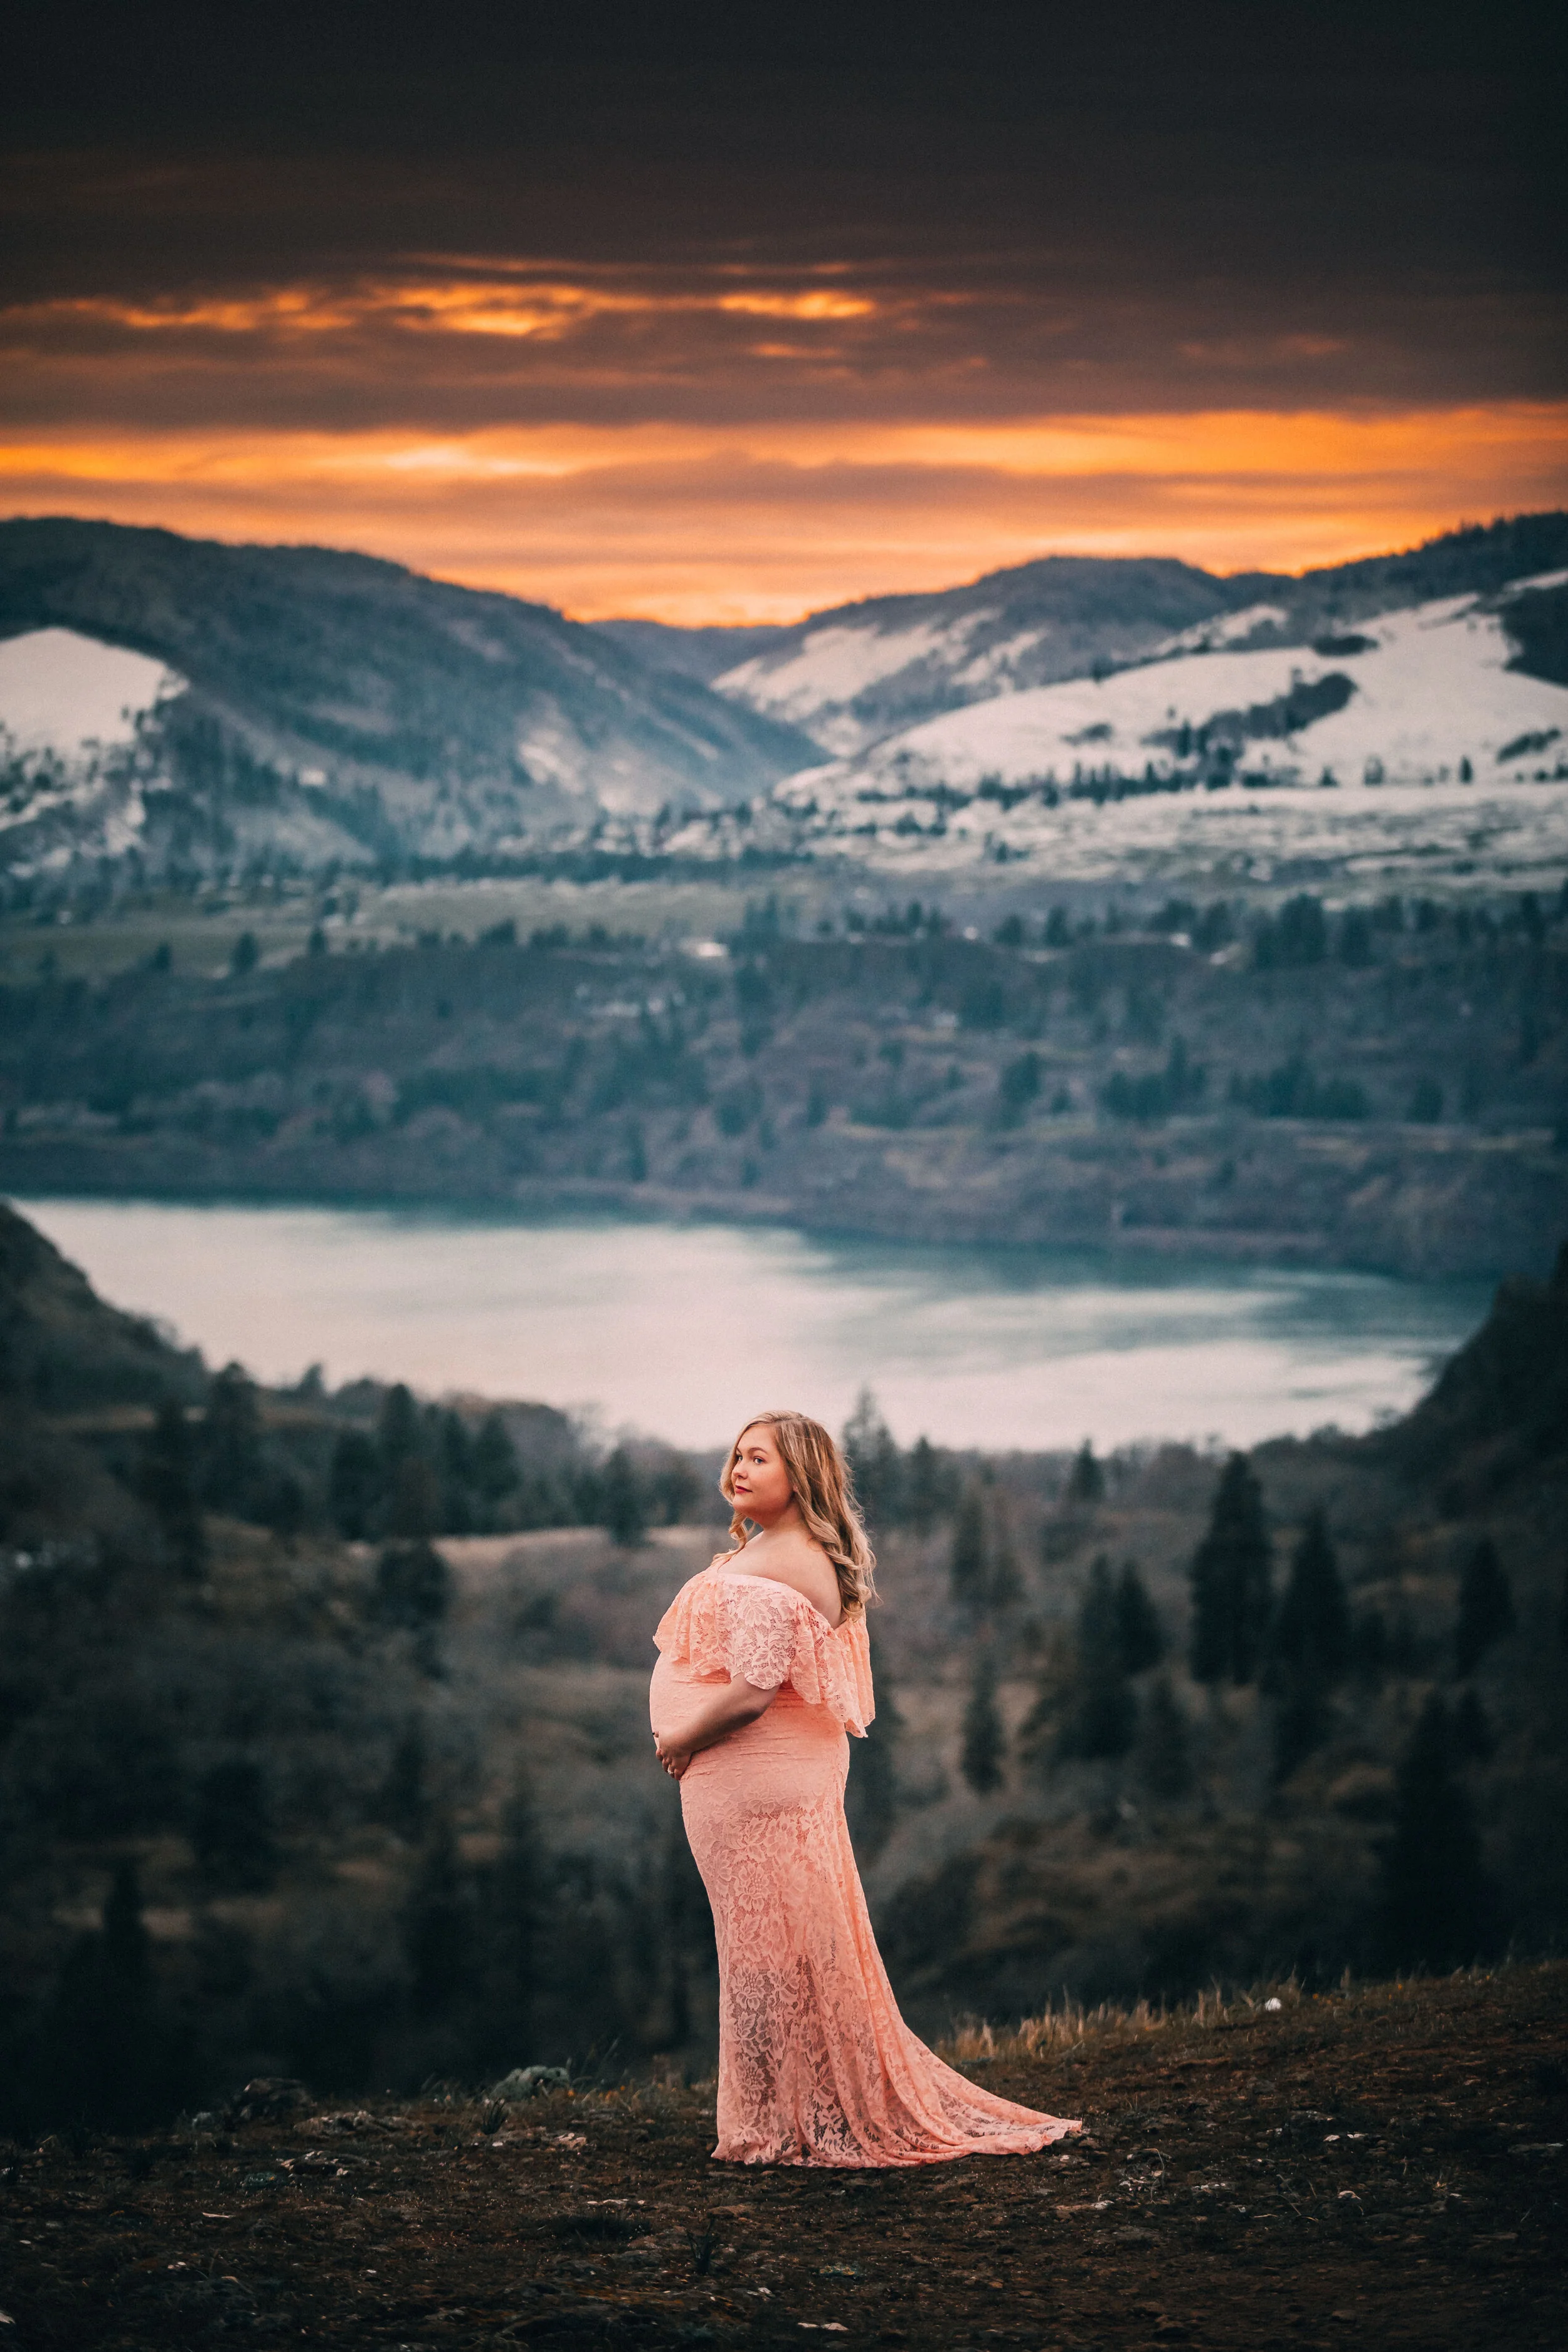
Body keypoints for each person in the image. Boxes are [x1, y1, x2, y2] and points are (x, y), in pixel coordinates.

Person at [650, 1407, 1079, 2168]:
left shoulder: (787, 1560)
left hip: (753, 1776)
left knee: (763, 1952)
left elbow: (753, 1692)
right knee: (772, 1947)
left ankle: (779, 2124)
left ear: (801, 1476)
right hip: (756, 1776)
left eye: (760, 1459)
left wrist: (681, 1738)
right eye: (737, 1454)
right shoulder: (782, 1547)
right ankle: (785, 2112)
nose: (739, 1468)